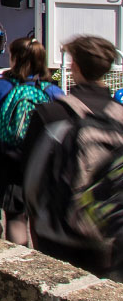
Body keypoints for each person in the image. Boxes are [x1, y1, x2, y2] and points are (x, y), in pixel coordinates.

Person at [23, 34, 123, 277]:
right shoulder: (119, 116)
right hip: (110, 238)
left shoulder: (51, 113)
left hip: (59, 235)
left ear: (74, 66)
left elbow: (31, 180)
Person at [0, 38, 65, 244]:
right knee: (39, 216)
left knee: (15, 217)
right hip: (43, 162)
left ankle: (15, 263)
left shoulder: (0, 88)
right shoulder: (52, 91)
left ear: (15, 58)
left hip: (9, 162)